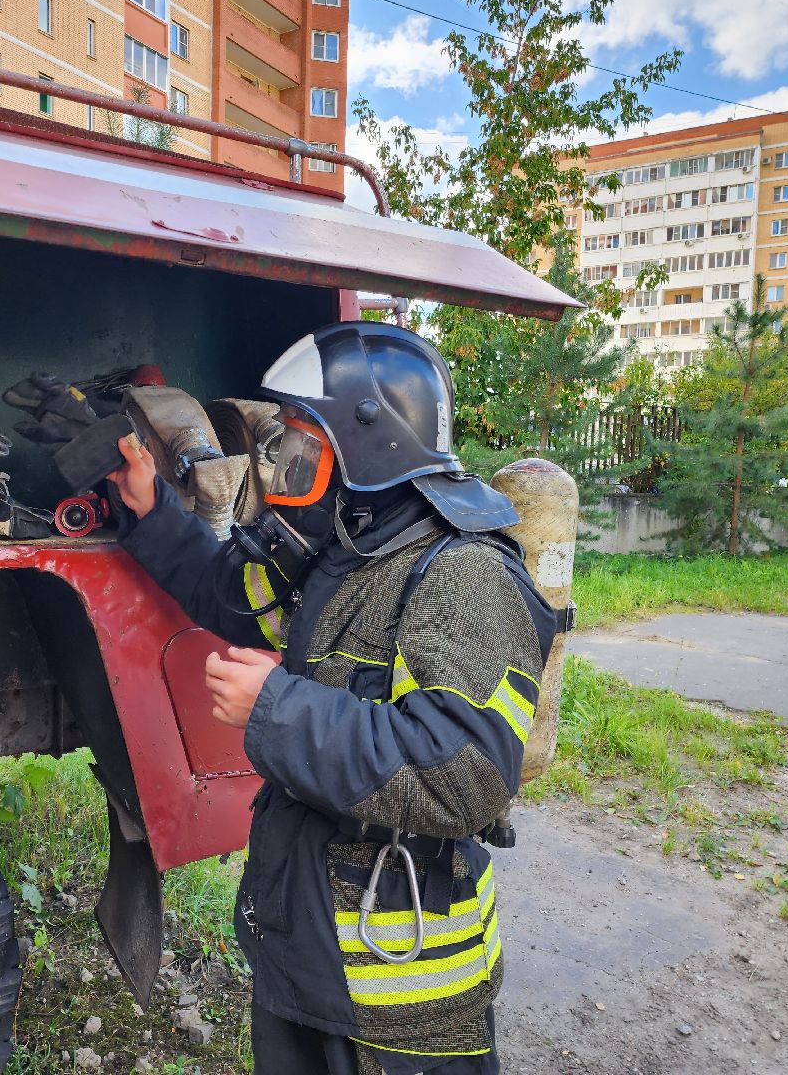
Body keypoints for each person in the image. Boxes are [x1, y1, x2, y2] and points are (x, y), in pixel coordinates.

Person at [106, 322, 560, 1075]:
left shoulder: (463, 575)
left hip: (400, 992)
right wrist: (152, 510)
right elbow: (231, 597)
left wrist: (275, 709)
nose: (283, 471)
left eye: (304, 451)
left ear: (369, 448)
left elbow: (465, 777)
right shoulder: (348, 551)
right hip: (308, 954)